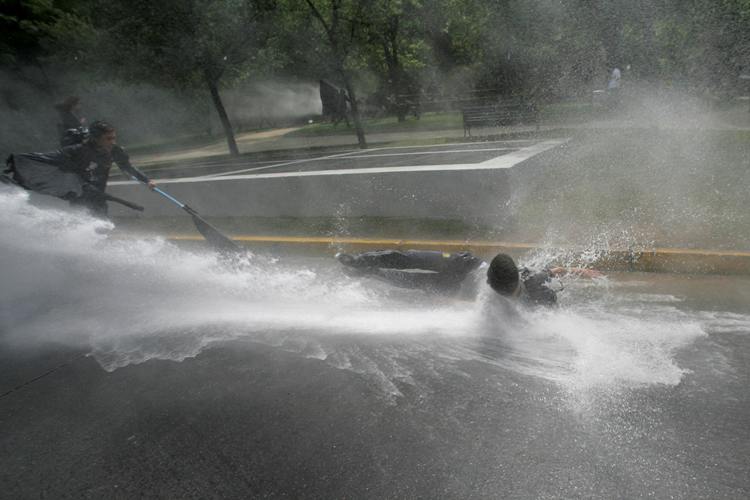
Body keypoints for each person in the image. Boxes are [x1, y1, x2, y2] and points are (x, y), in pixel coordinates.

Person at [336, 249, 602, 306]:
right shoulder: (533, 278)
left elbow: (472, 307)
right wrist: (581, 271)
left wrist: (449, 302)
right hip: (462, 264)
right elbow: (556, 270)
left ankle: (366, 271)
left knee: (413, 282)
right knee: (410, 258)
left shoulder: (532, 296)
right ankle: (359, 260)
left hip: (456, 288)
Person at [4, 120, 155, 217]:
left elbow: (127, 167)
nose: (112, 142)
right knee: (87, 221)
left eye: (114, 138)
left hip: (99, 195)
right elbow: (49, 158)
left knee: (102, 224)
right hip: (80, 194)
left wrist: (147, 180)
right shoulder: (77, 150)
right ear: (96, 138)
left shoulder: (115, 151)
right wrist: (18, 161)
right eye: (108, 138)